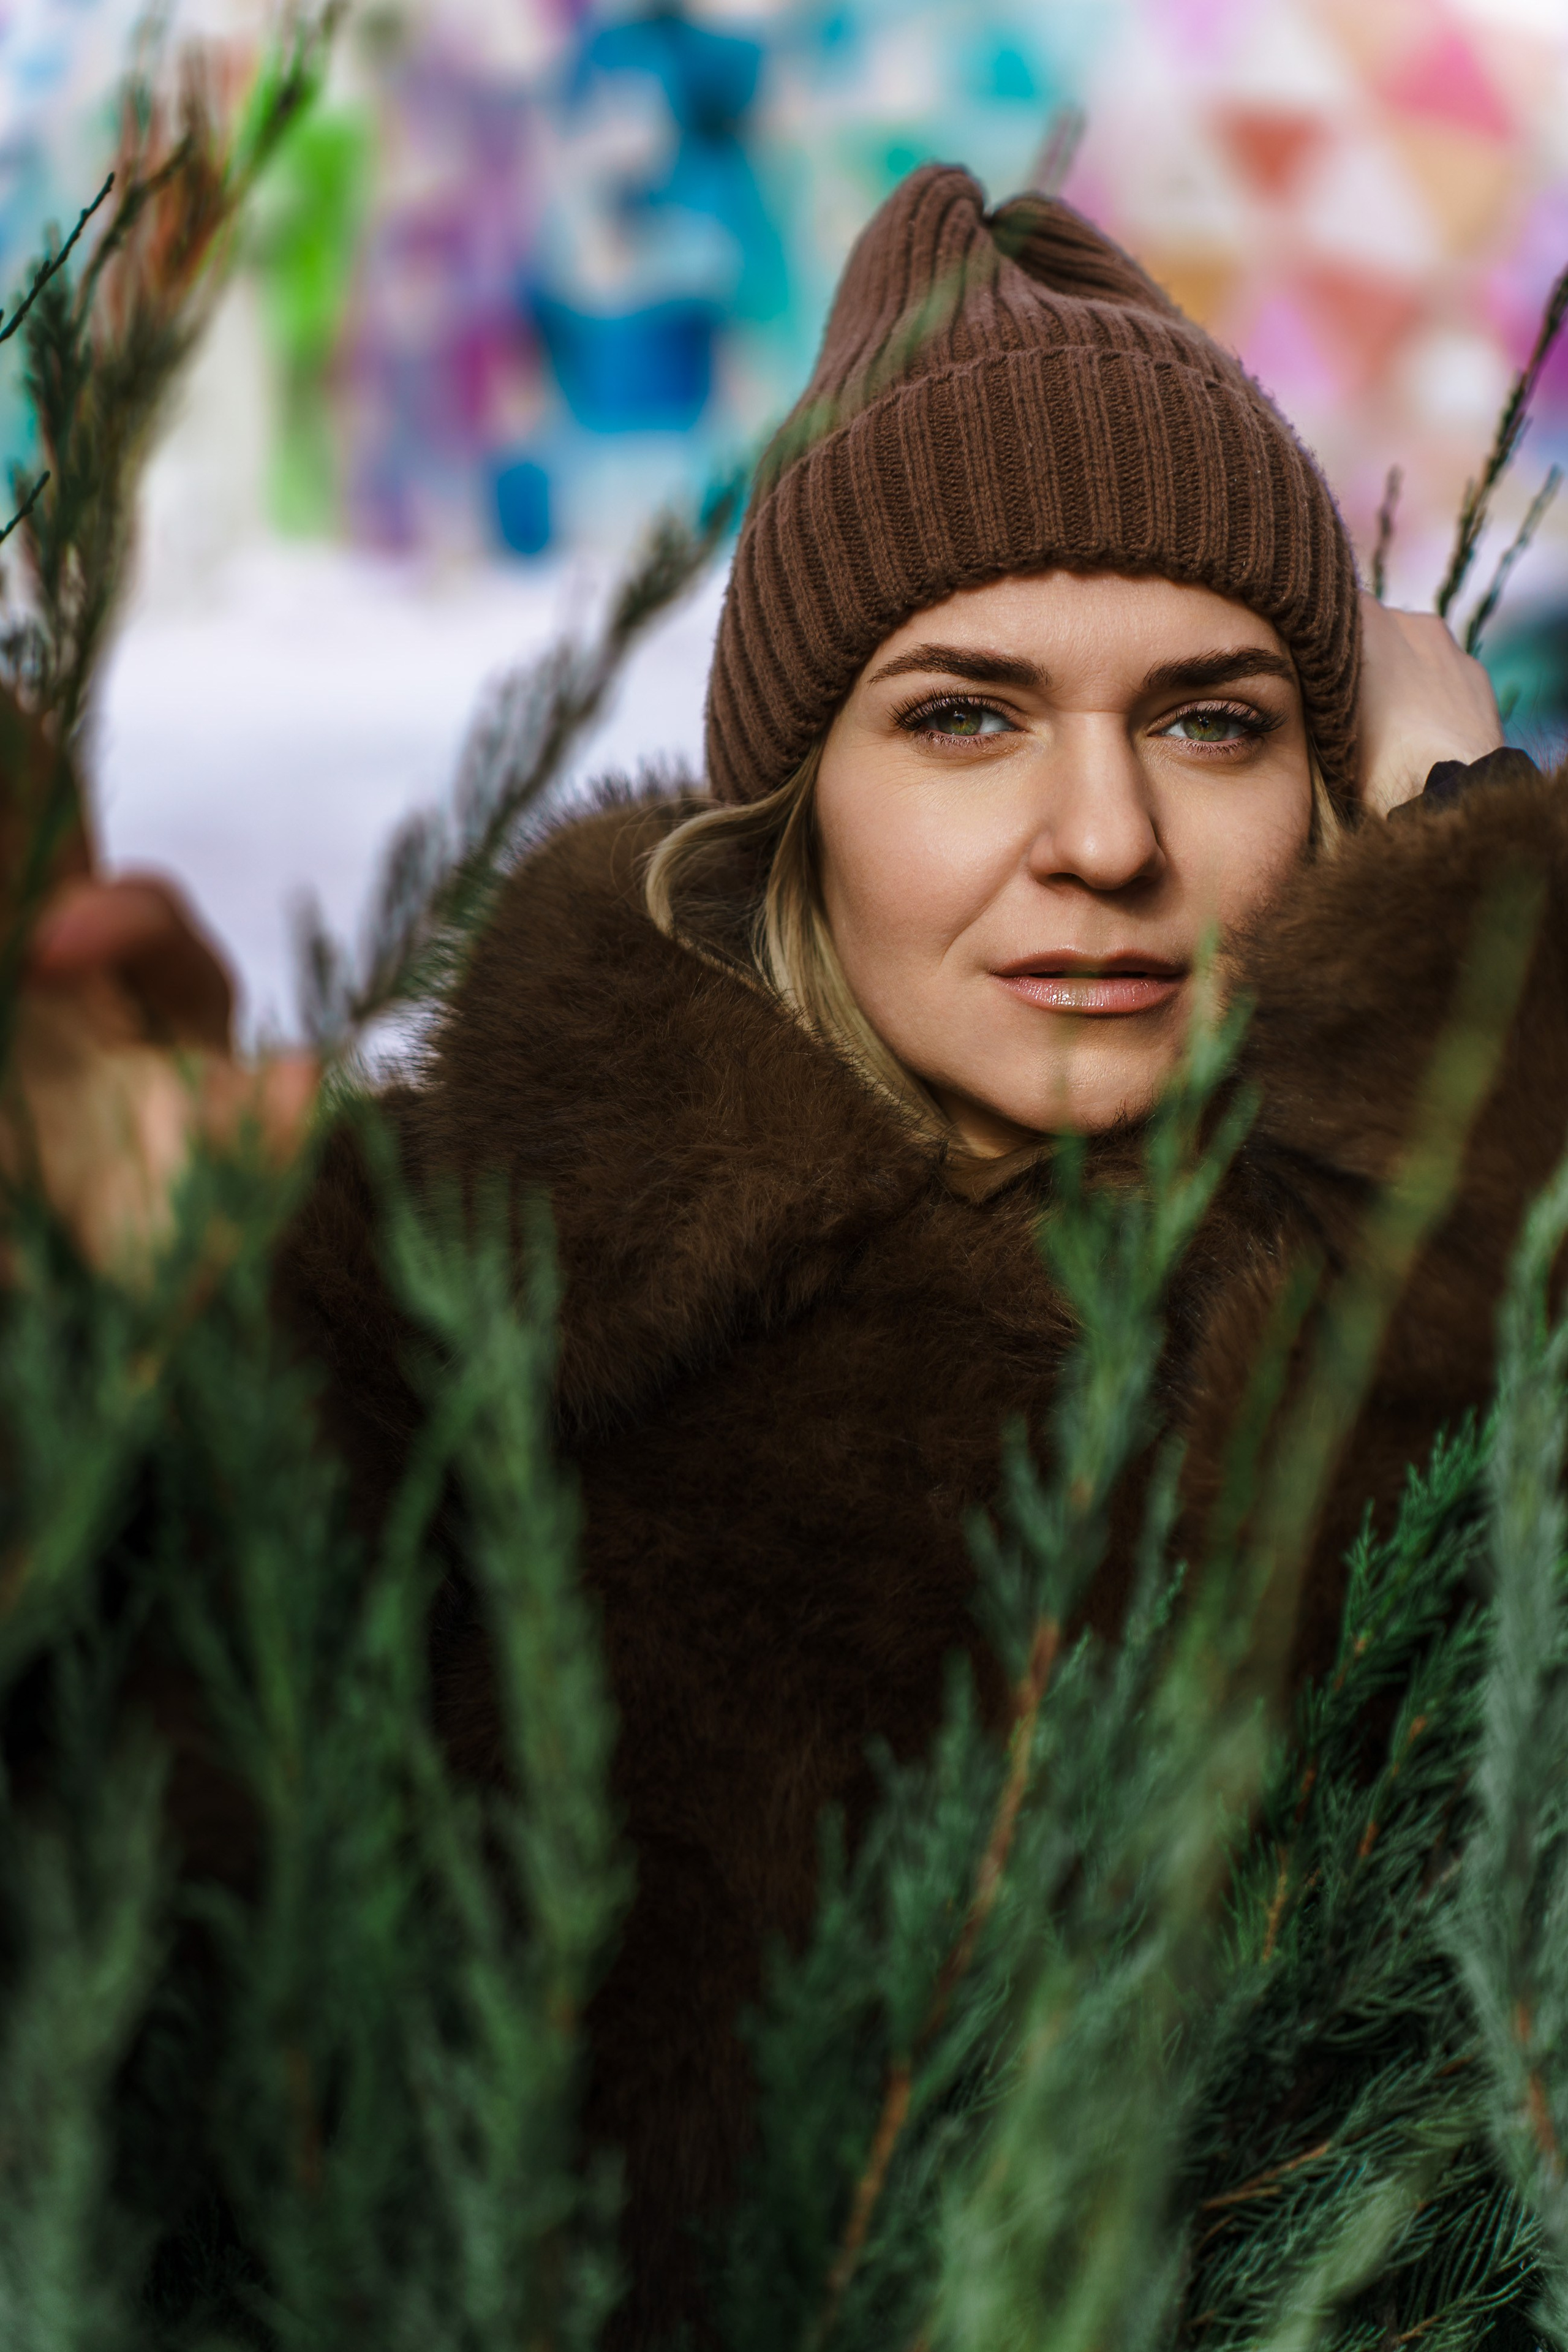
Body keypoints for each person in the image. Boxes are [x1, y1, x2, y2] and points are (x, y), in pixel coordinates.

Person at [12, 167, 1559, 2341]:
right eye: (963, 717)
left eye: (1215, 721)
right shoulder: (424, 1302)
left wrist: (1476, 845)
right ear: (793, 814)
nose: (1103, 840)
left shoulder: (1375, 1328)